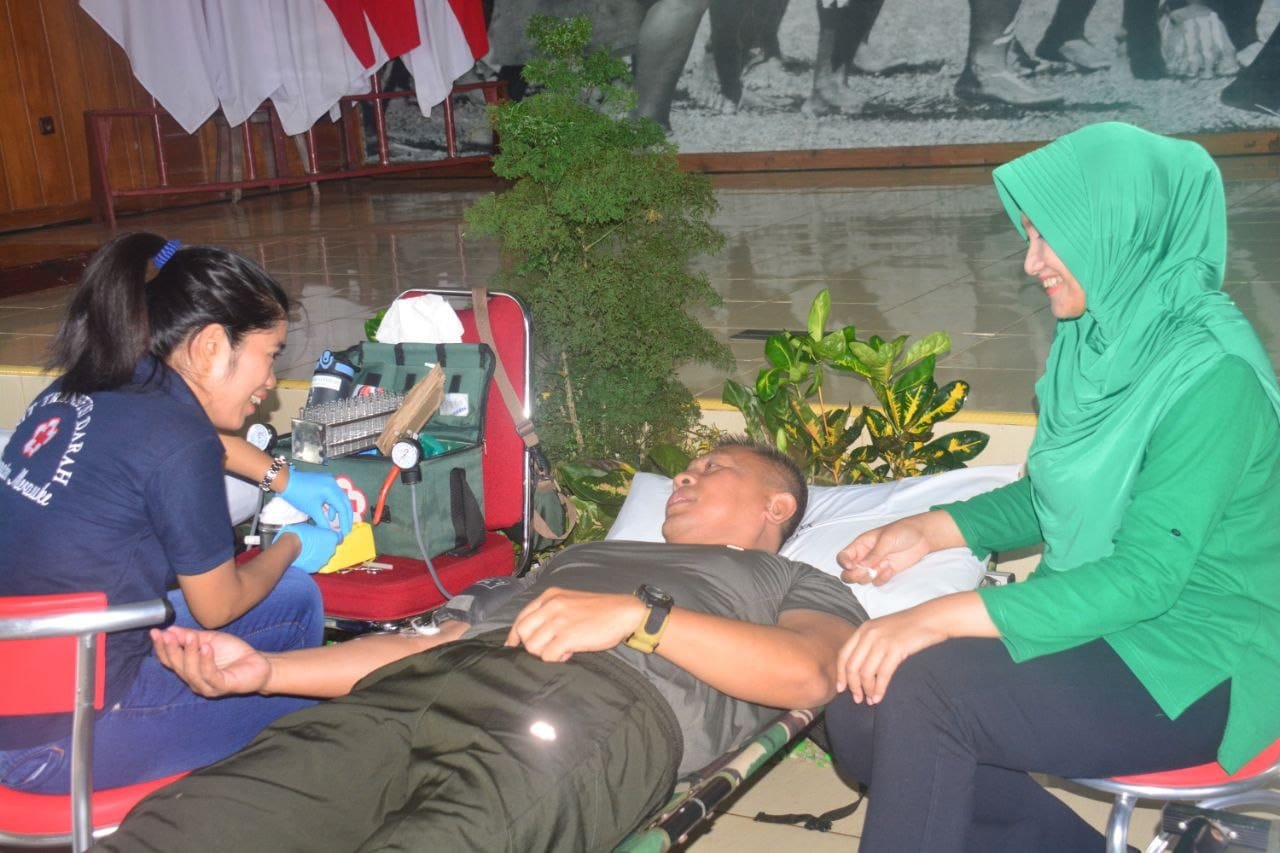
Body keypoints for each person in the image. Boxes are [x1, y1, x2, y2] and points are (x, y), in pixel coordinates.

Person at [822, 121, 1280, 851]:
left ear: (1122, 232)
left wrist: (937, 616)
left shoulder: (1212, 377)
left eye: (1049, 237)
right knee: (859, 704)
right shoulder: (1098, 338)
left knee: (926, 692)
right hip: (1109, 612)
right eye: (1029, 235)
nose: (1031, 261)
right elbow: (1067, 493)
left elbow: (1146, 577)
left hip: (1200, 653)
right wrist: (934, 529)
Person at [96, 439, 867, 852]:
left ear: (777, 504)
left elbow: (812, 673)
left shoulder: (788, 579)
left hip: (591, 709)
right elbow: (436, 639)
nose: (685, 478)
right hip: (417, 691)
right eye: (686, 470)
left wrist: (641, 618)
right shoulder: (577, 559)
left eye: (712, 467)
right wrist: (266, 671)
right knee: (192, 824)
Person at [0, 232, 353, 794]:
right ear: (211, 345)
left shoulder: (85, 386)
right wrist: (289, 544)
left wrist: (283, 477)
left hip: (30, 680)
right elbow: (218, 607)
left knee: (292, 602)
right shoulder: (177, 440)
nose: (269, 381)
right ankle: (240, 794)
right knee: (315, 708)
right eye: (270, 355)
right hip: (59, 741)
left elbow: (185, 444)